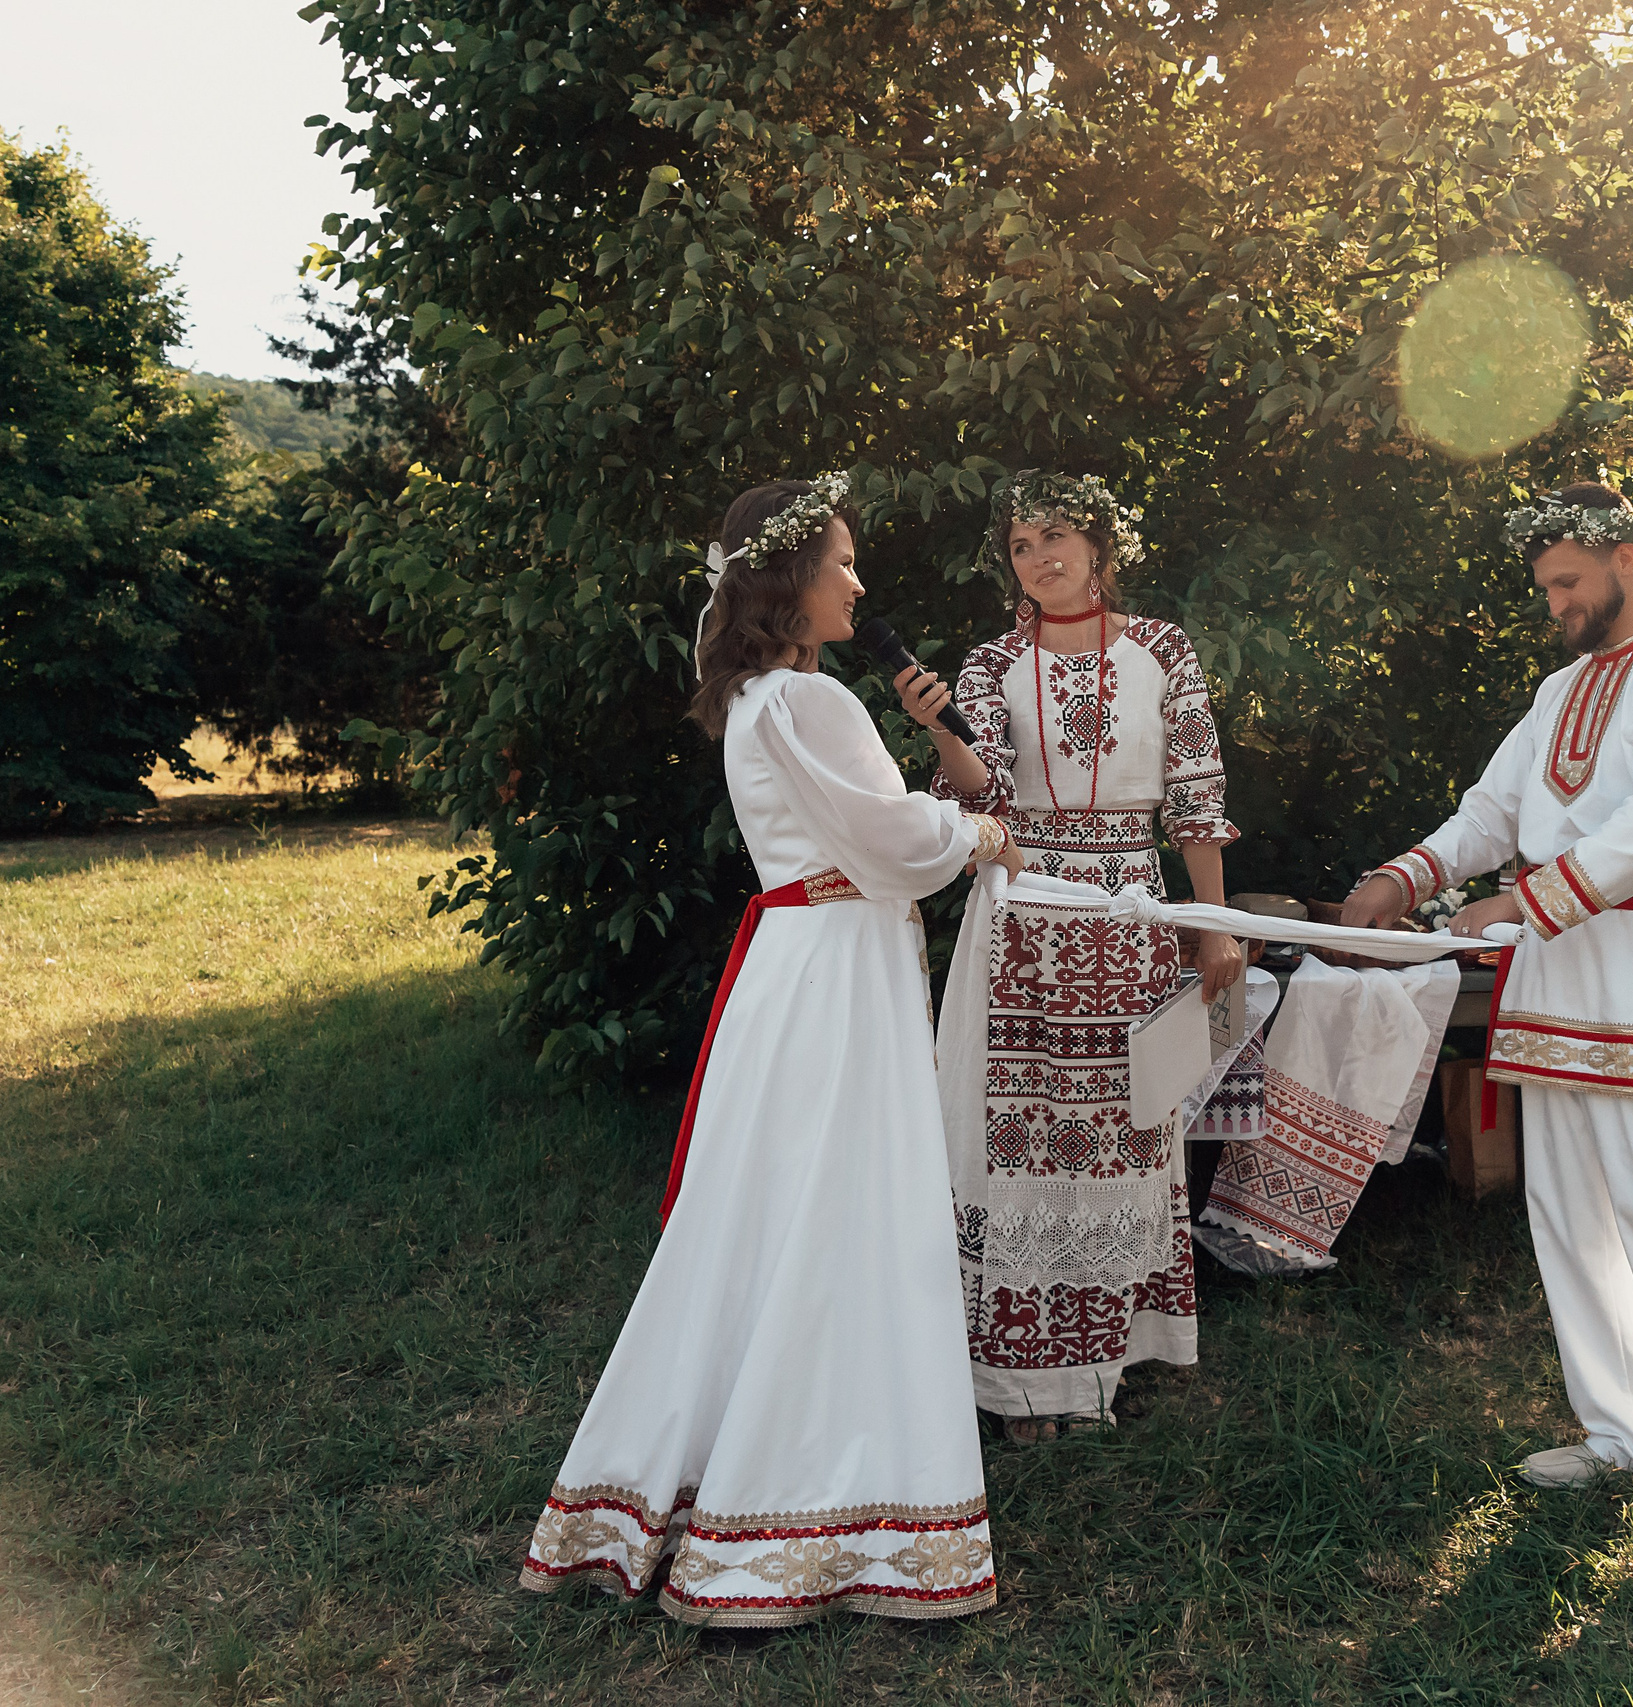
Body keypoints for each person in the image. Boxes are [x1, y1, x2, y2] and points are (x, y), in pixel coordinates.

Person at [519, 476, 1020, 1626]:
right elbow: (895, 839)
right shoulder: (808, 702)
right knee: (841, 1208)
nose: (858, 581)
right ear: (789, 579)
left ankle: (725, 1473)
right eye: (842, 561)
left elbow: (876, 833)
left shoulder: (767, 699)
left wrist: (938, 760)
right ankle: (811, 1497)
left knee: (779, 1206)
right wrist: (982, 834)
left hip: (805, 966)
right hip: (833, 971)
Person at [1341, 482, 1633, 1538]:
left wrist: (1523, 899)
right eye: (1544, 584)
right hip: (1552, 978)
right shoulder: (1559, 694)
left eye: (1567, 581)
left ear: (1629, 560)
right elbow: (1492, 812)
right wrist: (1404, 878)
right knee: (1570, 1213)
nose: (1554, 602)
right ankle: (1628, 1435)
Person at [898, 469, 1242, 1442]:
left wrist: (1210, 923)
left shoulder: (1163, 652)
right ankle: (1020, 1382)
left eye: (1055, 535)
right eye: (1019, 544)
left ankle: (1108, 1355)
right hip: (1021, 911)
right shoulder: (989, 663)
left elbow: (1196, 795)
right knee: (1019, 1129)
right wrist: (942, 732)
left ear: (1099, 546)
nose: (1040, 556)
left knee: (1120, 1127)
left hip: (1129, 907)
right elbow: (979, 797)